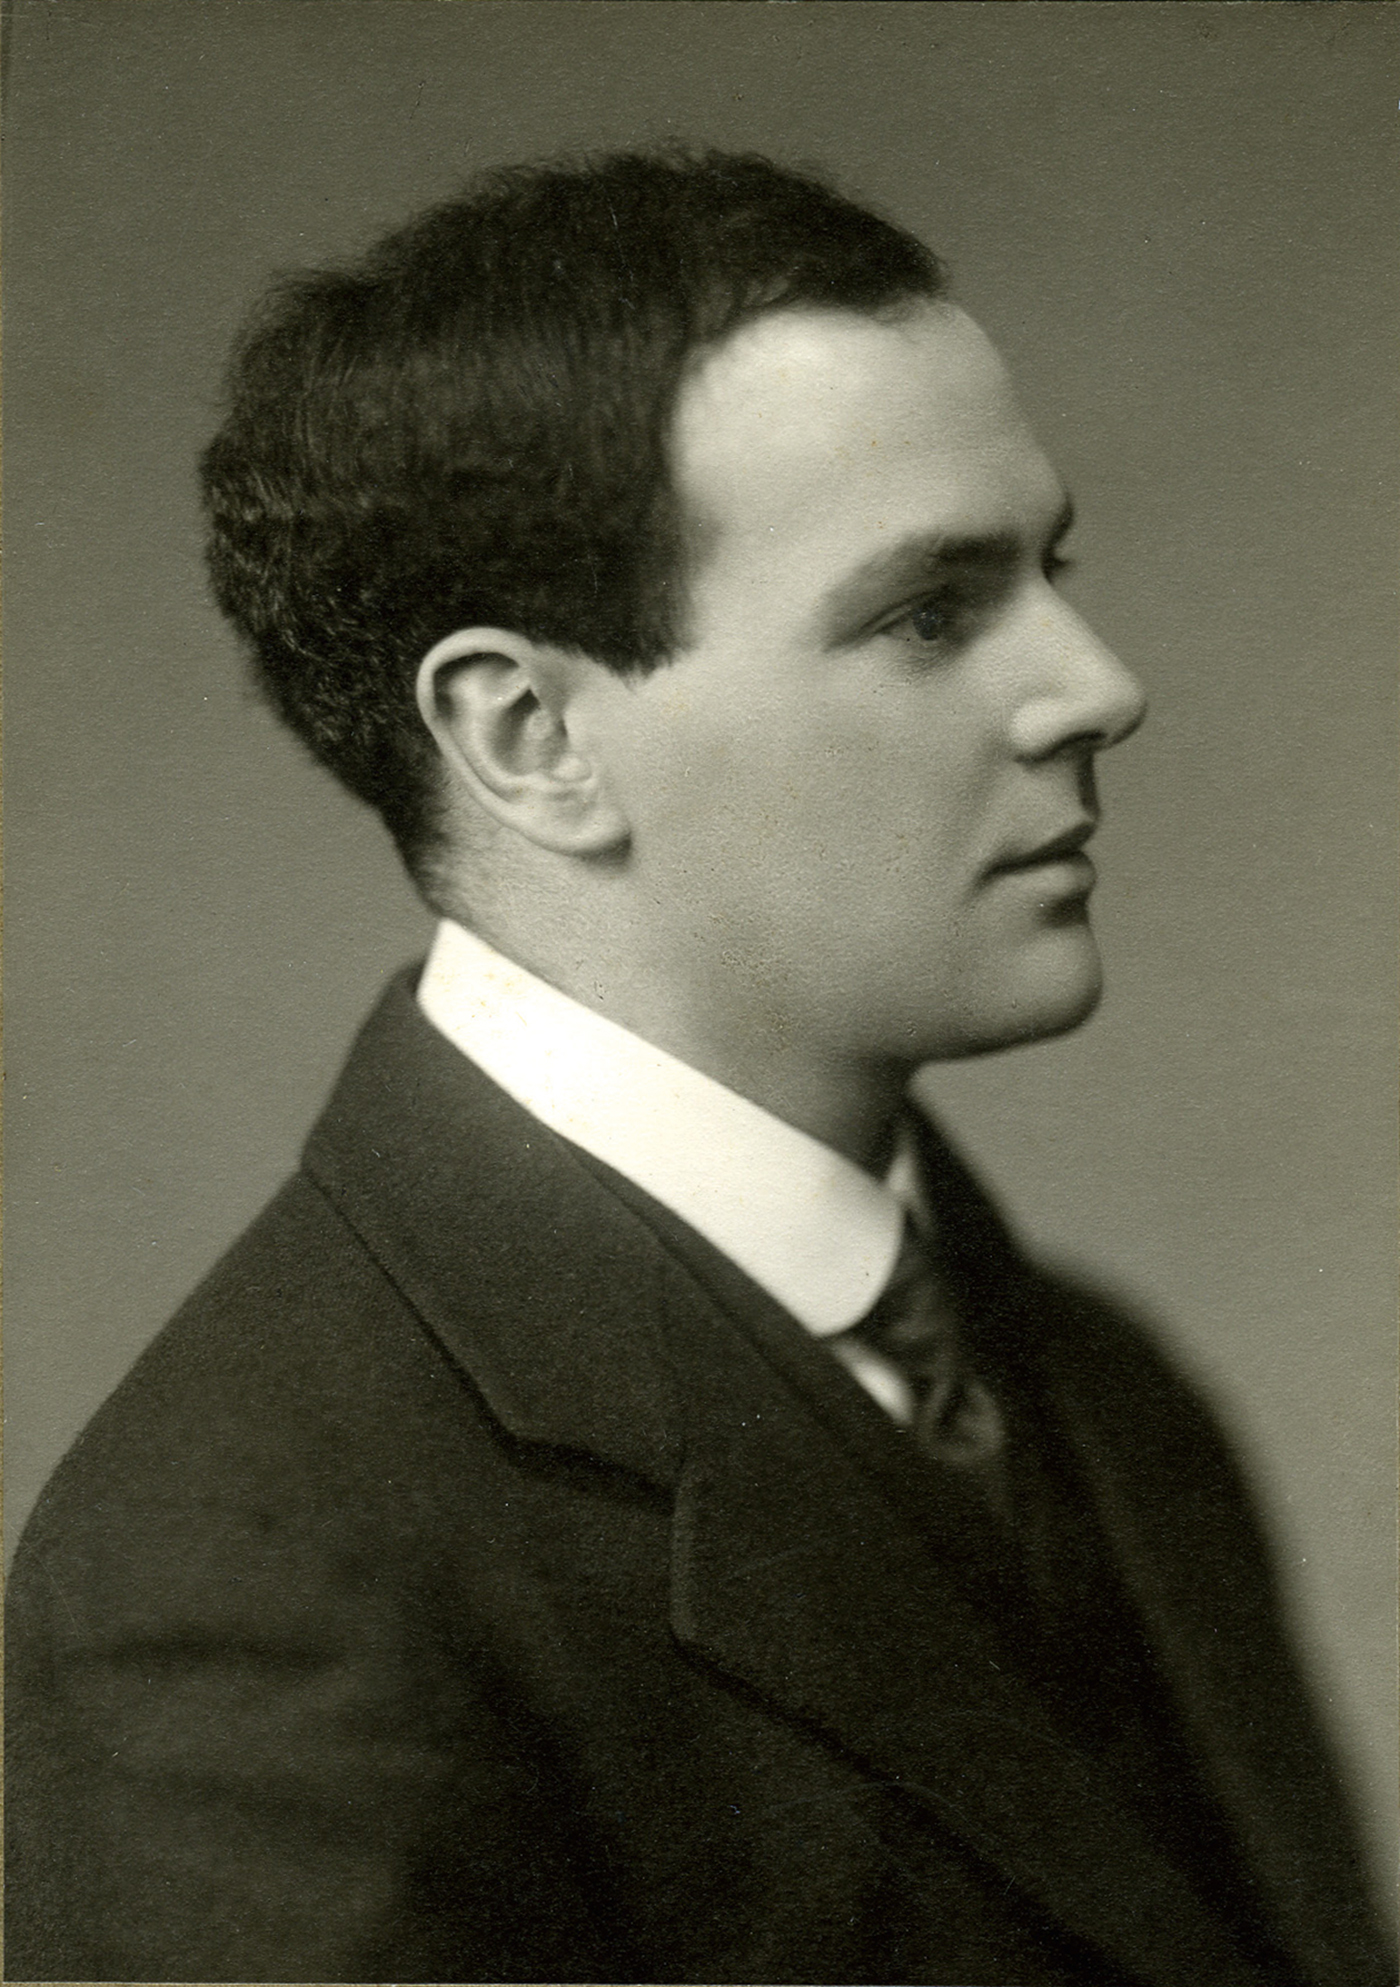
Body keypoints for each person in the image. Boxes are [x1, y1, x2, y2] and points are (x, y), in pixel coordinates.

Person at [5, 148, 1388, 1987]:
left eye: (1048, 571)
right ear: (530, 738)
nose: (1095, 684)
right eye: (927, 612)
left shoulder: (1101, 1391)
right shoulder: (255, 1582)